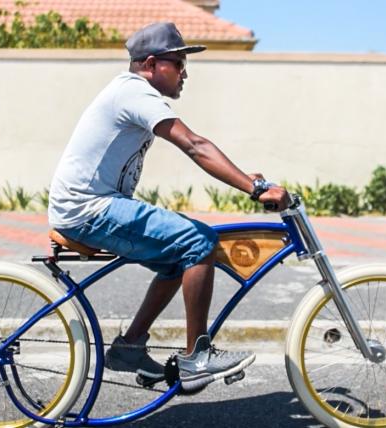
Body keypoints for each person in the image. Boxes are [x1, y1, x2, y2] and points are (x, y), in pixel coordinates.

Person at [47, 22, 290, 391]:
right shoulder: (134, 93)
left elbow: (198, 147)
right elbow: (194, 145)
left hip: (92, 206)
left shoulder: (130, 93)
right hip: (89, 209)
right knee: (199, 242)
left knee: (179, 259)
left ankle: (130, 347)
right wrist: (253, 187)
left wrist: (244, 176)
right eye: (178, 63)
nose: (185, 73)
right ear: (150, 64)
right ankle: (198, 358)